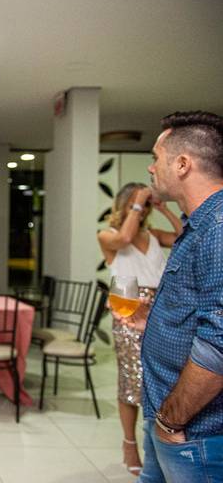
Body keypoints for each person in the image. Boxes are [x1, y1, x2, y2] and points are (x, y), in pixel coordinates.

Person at [128, 111, 223, 482]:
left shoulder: (217, 229)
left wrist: (171, 420)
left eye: (157, 158)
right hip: (169, 417)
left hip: (195, 431)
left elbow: (219, 343)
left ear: (183, 164)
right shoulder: (197, 225)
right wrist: (159, 319)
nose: (151, 168)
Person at [97, 182, 181, 476]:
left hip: (161, 307)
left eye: (145, 204)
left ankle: (155, 444)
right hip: (128, 306)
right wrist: (138, 201)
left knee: (163, 379)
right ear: (125, 204)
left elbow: (182, 236)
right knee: (132, 380)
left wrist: (164, 209)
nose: (142, 209)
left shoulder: (153, 235)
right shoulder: (107, 235)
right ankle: (129, 443)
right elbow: (124, 238)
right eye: (137, 203)